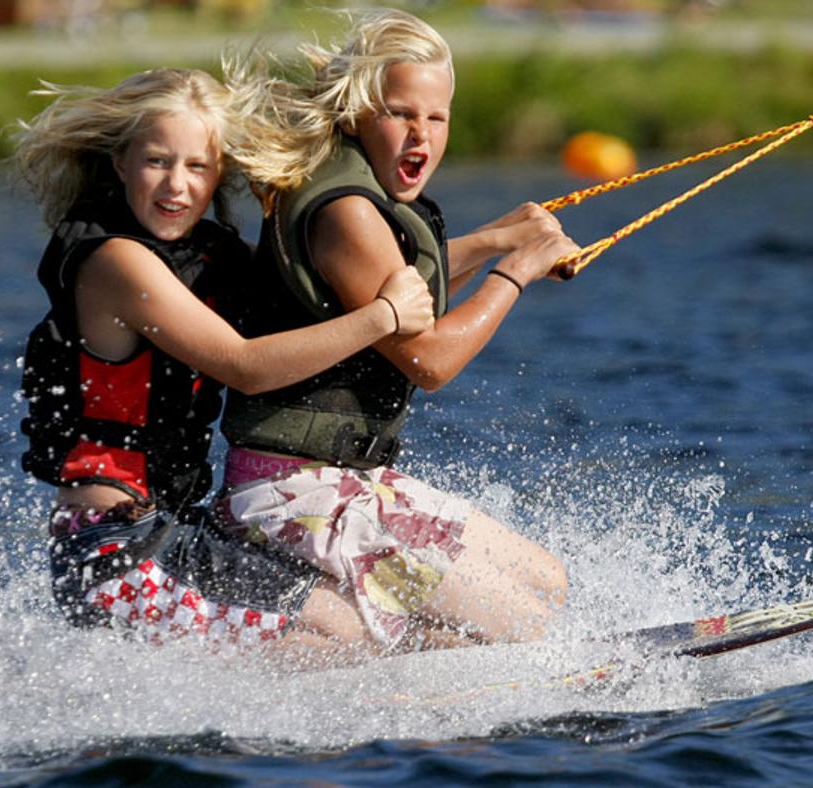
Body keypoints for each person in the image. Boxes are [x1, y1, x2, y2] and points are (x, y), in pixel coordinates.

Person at [12, 68, 437, 648]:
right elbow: (243, 364)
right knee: (342, 639)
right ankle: (403, 713)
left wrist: (495, 247)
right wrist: (384, 316)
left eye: (197, 167)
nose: (176, 186)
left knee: (370, 615)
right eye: (157, 162)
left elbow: (336, 283)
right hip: (113, 555)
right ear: (120, 164)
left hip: (179, 534)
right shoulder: (115, 261)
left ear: (219, 176)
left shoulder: (208, 253)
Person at [214, 10, 582, 655]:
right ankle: (329, 661)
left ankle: (374, 670)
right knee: (524, 624)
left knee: (546, 583)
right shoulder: (348, 213)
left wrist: (496, 238)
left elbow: (403, 286)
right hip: (292, 492)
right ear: (357, 114)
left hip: (351, 481)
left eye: (435, 118)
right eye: (399, 114)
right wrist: (513, 273)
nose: (421, 135)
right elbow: (431, 361)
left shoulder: (354, 194)